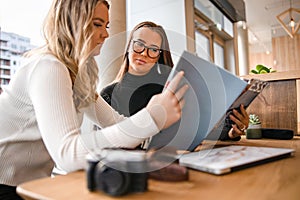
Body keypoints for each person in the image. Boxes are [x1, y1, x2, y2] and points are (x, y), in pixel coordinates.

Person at [0, 0, 188, 199]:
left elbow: (115, 122)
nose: (106, 34)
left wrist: (156, 127)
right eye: (97, 24)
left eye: (106, 26)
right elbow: (67, 154)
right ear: (72, 22)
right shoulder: (48, 67)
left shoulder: (79, 74)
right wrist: (151, 118)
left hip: (32, 185)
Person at [100, 21, 249, 145]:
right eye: (139, 44)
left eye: (153, 49)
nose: (144, 53)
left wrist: (230, 132)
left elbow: (193, 130)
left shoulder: (169, 89)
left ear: (159, 55)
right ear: (128, 47)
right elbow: (104, 144)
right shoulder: (108, 95)